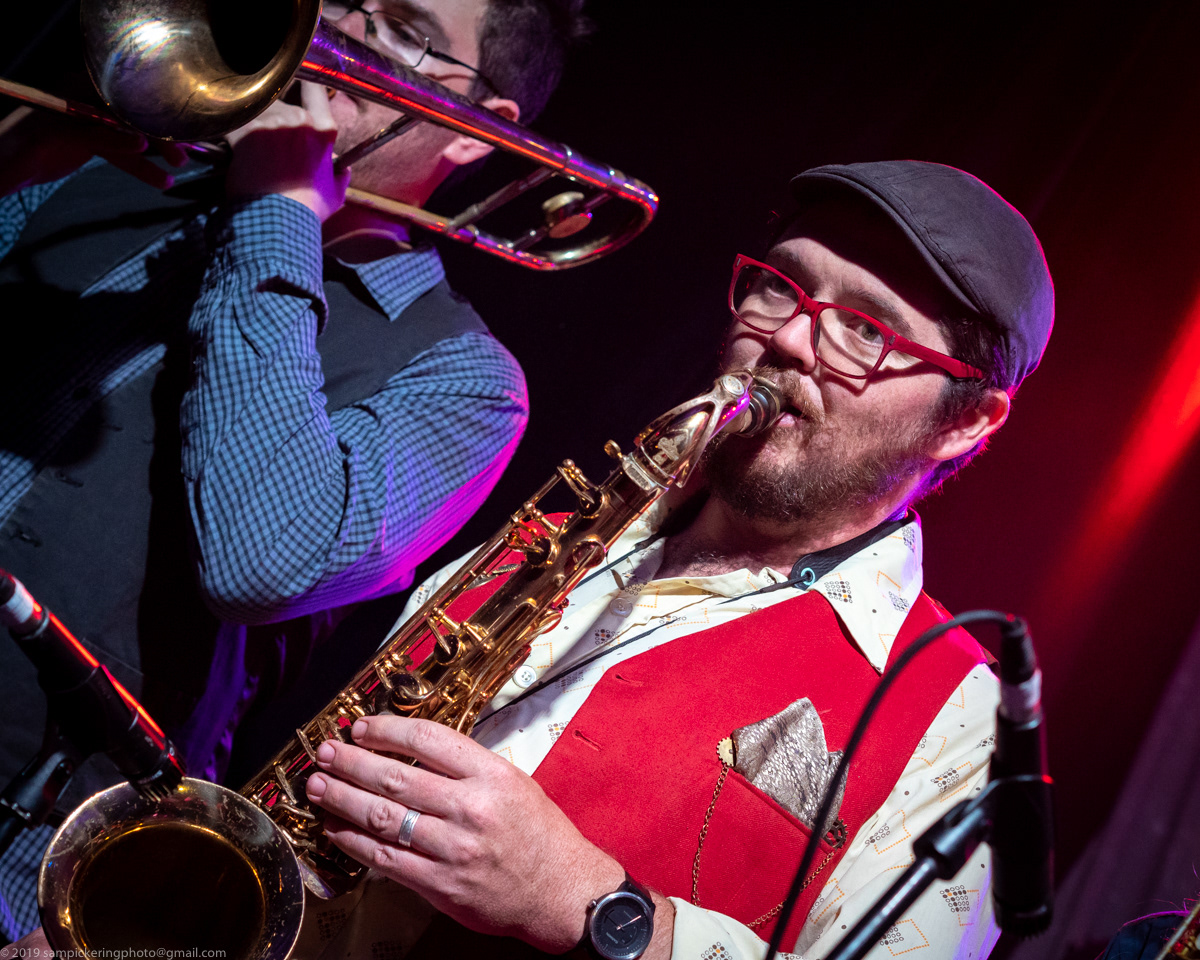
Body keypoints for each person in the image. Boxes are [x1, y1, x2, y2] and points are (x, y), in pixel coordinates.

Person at [290, 160, 1055, 960]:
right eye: (781, 287)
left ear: (965, 421)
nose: (788, 338)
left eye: (868, 330)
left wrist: (585, 902)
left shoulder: (965, 727)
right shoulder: (555, 535)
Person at [0, 0, 588, 942]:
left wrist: (277, 215)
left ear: (477, 129)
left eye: (402, 30)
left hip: (23, 844)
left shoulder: (469, 379)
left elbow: (264, 560)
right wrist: (21, 154)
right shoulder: (105, 173)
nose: (336, 36)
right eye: (343, 3)